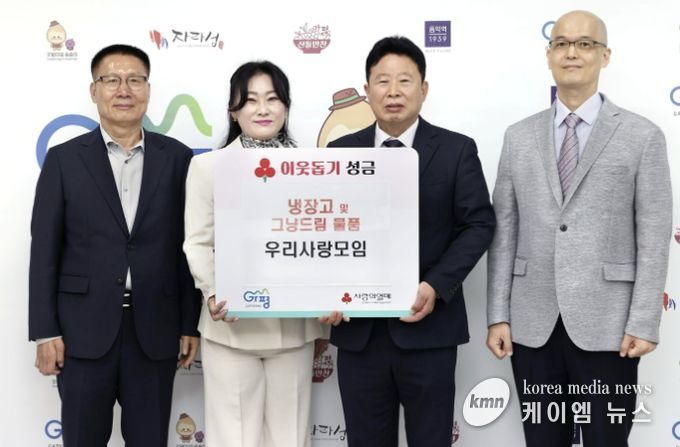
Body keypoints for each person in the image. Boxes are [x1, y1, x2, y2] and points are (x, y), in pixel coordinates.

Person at [486, 10, 672, 447]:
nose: (572, 52)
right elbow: (504, 231)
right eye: (562, 43)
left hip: (609, 325)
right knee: (541, 439)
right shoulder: (518, 137)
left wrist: (644, 321)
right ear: (549, 55)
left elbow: (654, 234)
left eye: (585, 43)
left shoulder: (642, 136)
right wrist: (498, 315)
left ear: (605, 56)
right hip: (533, 324)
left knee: (607, 440)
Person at [321, 36, 496, 446]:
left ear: (424, 89)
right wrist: (326, 290)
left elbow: (478, 224)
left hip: (429, 331)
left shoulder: (456, 150)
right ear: (367, 90)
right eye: (382, 81)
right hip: (359, 335)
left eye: (404, 80)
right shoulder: (339, 152)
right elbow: (325, 230)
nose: (393, 91)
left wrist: (435, 284)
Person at [29, 44, 201, 447]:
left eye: (135, 80)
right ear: (94, 91)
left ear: (148, 90)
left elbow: (188, 247)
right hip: (82, 332)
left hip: (155, 331)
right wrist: (44, 332)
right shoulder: (64, 160)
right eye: (111, 80)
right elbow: (44, 253)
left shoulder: (177, 158)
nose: (124, 89)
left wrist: (188, 323)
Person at [183, 60, 325, 447]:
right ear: (233, 110)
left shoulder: (313, 167)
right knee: (232, 438)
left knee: (290, 438)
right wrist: (214, 291)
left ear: (286, 107)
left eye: (272, 99)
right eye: (250, 100)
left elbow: (321, 243)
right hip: (230, 325)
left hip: (294, 328)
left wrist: (328, 303)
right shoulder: (207, 167)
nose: (262, 109)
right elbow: (198, 241)